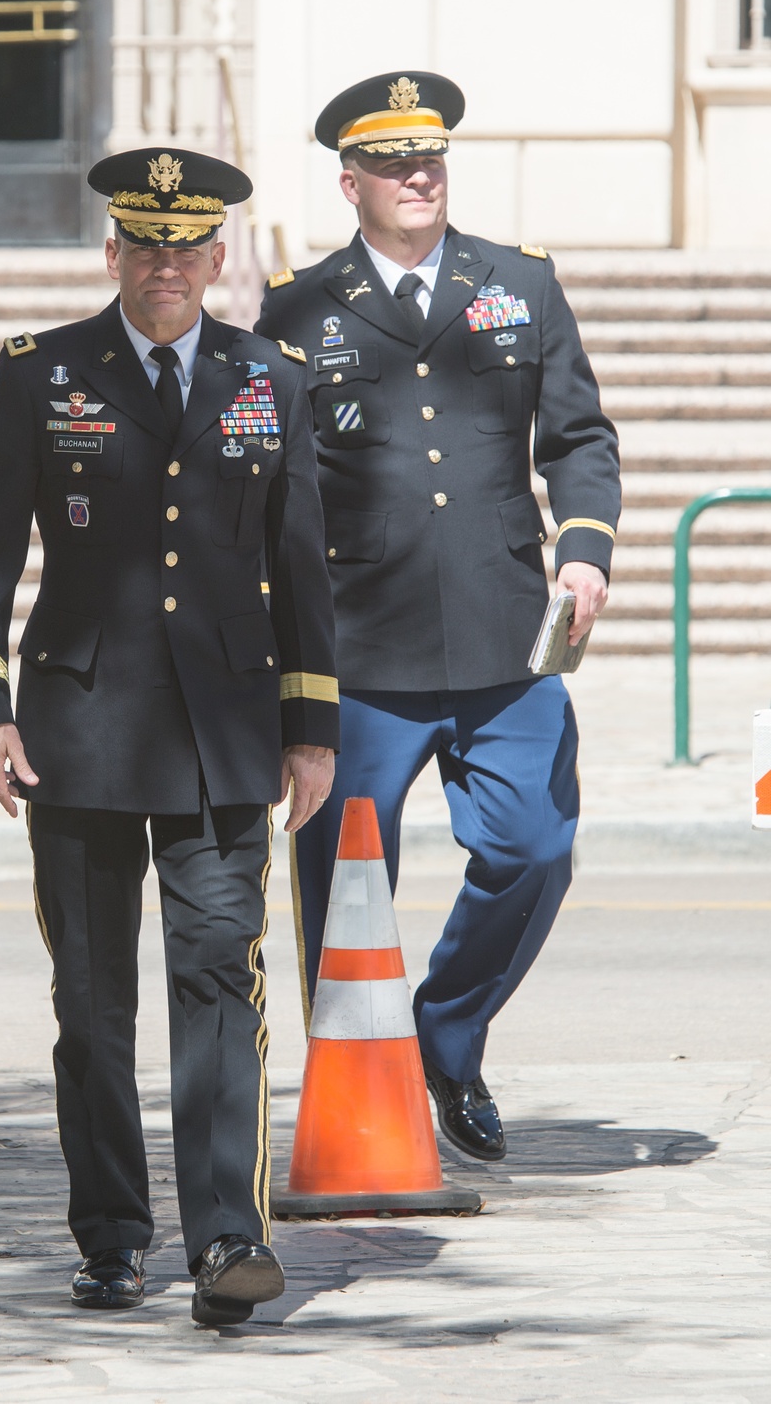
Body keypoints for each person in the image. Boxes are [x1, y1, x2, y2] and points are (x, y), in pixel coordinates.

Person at [0, 147, 338, 1324]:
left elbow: (301, 566)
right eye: (145, 244)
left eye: (188, 247)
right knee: (93, 1000)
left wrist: (310, 729)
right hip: (80, 730)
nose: (167, 266)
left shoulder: (272, 377)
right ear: (113, 253)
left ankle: (227, 1242)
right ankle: (112, 1233)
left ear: (219, 260)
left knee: (221, 980)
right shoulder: (42, 371)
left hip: (225, 735)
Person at [256, 71, 620, 1163]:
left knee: (534, 847)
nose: (421, 176)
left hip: (506, 635)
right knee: (339, 881)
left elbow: (577, 440)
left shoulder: (518, 284)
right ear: (350, 180)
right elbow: (272, 483)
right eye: (395, 162)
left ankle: (448, 1033)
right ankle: (355, 1094)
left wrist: (585, 550)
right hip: (360, 647)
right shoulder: (296, 308)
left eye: (434, 158)